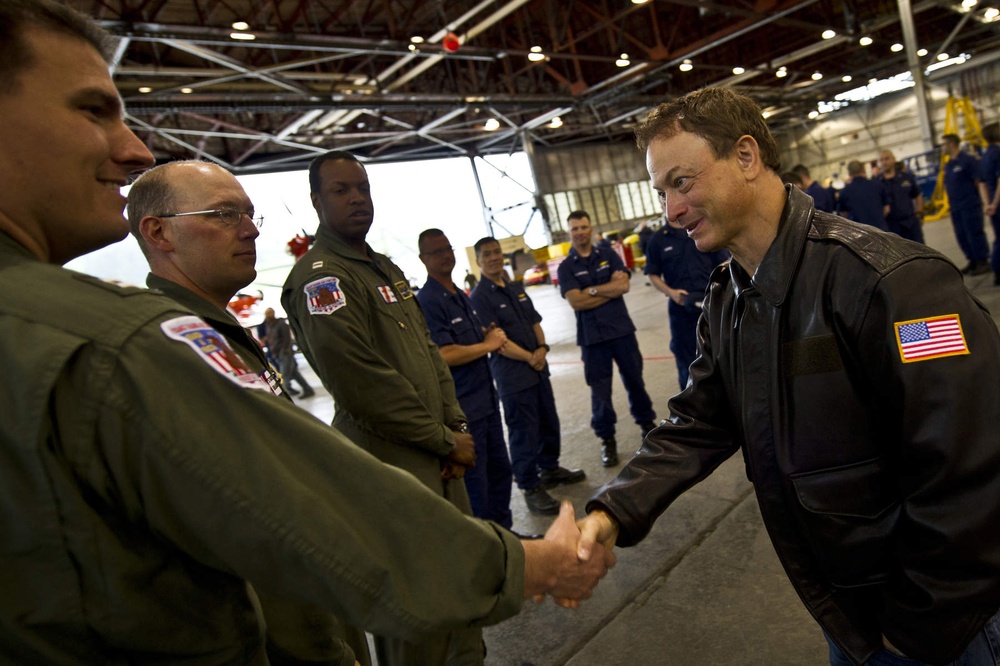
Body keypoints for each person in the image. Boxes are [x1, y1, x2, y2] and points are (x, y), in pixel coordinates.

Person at [0, 2, 613, 661]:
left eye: (249, 214)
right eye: (93, 110)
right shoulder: (116, 343)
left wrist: (451, 428)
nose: (134, 149)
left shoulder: (371, 271)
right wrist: (530, 563)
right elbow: (318, 493)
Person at [577, 87, 1000, 666]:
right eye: (662, 192)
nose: (670, 211)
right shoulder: (729, 298)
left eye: (682, 182)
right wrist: (612, 511)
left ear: (746, 157)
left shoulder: (893, 283)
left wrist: (917, 624)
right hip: (850, 616)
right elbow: (700, 421)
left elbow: (972, 467)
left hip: (941, 628)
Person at [126, 159, 366, 664]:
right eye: (223, 214)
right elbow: (254, 528)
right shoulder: (176, 352)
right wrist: (318, 649)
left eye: (250, 214)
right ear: (158, 232)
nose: (251, 229)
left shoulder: (217, 333)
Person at [281, 151, 496, 665]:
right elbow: (362, 384)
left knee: (461, 587)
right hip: (392, 464)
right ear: (316, 201)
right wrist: (443, 439)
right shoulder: (321, 280)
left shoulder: (385, 268)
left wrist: (454, 424)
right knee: (415, 609)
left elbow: (428, 353)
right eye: (341, 190)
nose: (357, 198)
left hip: (438, 457)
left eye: (363, 187)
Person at [470, 237, 587, 516]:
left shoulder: (513, 287)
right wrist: (530, 357)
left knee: (548, 421)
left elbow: (535, 321)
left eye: (497, 252)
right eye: (487, 254)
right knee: (523, 431)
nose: (494, 257)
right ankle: (529, 485)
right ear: (479, 261)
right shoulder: (479, 297)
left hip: (537, 369)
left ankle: (550, 469)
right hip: (514, 375)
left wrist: (542, 349)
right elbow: (497, 340)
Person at [416, 229, 515, 525]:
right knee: (477, 484)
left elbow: (468, 338)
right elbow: (444, 354)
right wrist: (488, 345)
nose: (445, 255)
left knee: (500, 472)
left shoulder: (459, 295)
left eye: (448, 249)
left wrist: (484, 335)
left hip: (486, 402)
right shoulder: (429, 301)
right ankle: (487, 545)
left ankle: (506, 537)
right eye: (436, 252)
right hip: (465, 410)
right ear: (423, 259)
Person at [556, 210, 657, 468]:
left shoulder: (608, 254)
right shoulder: (566, 267)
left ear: (591, 229)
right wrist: (606, 291)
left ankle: (647, 426)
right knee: (600, 393)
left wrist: (590, 291)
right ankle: (607, 440)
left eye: (583, 227)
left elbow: (623, 286)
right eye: (575, 228)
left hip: (621, 332)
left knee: (635, 381)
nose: (580, 232)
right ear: (569, 233)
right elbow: (576, 302)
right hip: (592, 340)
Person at [643, 214, 728, 390]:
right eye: (662, 199)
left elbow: (725, 262)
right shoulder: (657, 241)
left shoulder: (703, 229)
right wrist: (671, 293)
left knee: (723, 356)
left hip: (712, 305)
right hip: (681, 310)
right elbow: (652, 274)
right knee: (687, 363)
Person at [941, 133, 991, 275]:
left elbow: (978, 182)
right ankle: (972, 260)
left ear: (951, 144)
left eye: (943, 144)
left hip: (969, 205)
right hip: (955, 207)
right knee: (961, 235)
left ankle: (982, 261)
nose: (942, 148)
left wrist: (981, 201)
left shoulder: (968, 160)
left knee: (974, 233)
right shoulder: (949, 164)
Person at [263, 306, 316, 398]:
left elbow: (287, 339)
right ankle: (308, 389)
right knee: (294, 373)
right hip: (277, 354)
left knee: (284, 377)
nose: (269, 315)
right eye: (268, 313)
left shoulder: (281, 324)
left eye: (270, 312)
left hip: (285, 354)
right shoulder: (269, 326)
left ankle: (284, 397)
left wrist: (284, 351)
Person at [877, 149, 925, 243]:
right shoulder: (877, 182)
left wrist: (919, 213)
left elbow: (917, 195)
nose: (884, 162)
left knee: (919, 249)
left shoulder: (906, 178)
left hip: (911, 223)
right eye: (881, 160)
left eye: (887, 159)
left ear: (893, 159)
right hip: (891, 227)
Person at [836, 160, 889, 231]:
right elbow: (887, 209)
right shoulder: (878, 185)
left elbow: (844, 215)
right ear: (863, 170)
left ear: (849, 173)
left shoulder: (844, 192)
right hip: (881, 231)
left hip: (859, 233)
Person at [979, 123, 1000, 286]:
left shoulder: (985, 156)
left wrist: (988, 204)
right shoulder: (998, 153)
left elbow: (982, 183)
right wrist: (995, 203)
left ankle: (996, 269)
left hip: (994, 208)